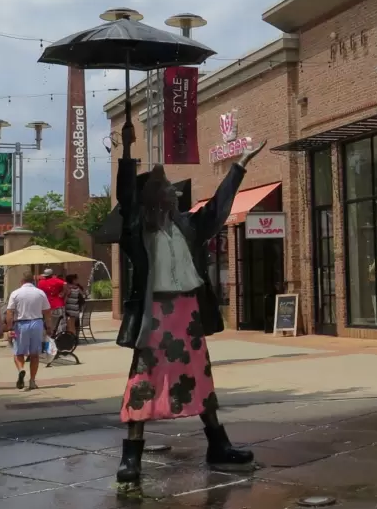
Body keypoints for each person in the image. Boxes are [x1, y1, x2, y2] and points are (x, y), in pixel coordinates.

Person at [114, 132, 267, 486]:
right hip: (155, 315)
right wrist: (125, 151)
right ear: (154, 196)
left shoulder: (187, 225)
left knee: (200, 378)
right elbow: (126, 197)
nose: (175, 192)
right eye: (167, 188)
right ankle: (131, 456)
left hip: (189, 314)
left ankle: (219, 445)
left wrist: (240, 165)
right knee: (143, 380)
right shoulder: (138, 229)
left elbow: (217, 209)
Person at [6, 269, 51, 391]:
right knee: (35, 354)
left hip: (21, 324)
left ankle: (21, 369)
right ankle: (32, 381)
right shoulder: (40, 293)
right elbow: (47, 311)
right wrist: (49, 327)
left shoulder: (15, 293)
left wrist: (9, 328)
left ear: (22, 281)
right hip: (37, 322)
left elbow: (10, 312)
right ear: (33, 281)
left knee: (18, 352)